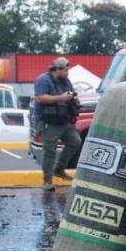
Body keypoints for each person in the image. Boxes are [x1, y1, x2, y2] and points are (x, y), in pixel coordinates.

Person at [33, 57, 81, 191]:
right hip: (48, 121)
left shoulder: (65, 81)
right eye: (65, 70)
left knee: (75, 142)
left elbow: (71, 94)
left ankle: (59, 169)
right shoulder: (43, 80)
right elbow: (40, 97)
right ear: (57, 69)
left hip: (64, 120)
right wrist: (61, 97)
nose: (67, 73)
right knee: (50, 150)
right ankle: (47, 180)